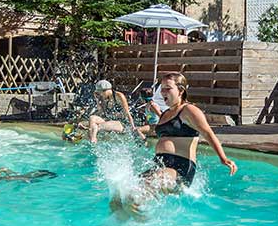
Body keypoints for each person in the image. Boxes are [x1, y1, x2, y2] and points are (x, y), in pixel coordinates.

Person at [111, 72, 237, 217]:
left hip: (179, 168)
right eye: (162, 88)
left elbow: (208, 132)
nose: (163, 92)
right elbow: (163, 131)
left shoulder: (189, 110)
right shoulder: (165, 114)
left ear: (181, 90)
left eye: (168, 88)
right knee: (118, 198)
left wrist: (223, 158)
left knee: (134, 197)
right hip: (160, 166)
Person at [88, 79, 141, 144]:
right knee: (92, 118)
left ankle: (93, 141)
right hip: (108, 121)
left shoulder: (119, 96)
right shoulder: (104, 98)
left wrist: (133, 127)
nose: (99, 95)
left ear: (105, 90)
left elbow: (127, 113)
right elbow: (101, 113)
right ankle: (92, 140)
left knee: (97, 127)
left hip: (121, 123)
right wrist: (97, 101)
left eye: (99, 93)